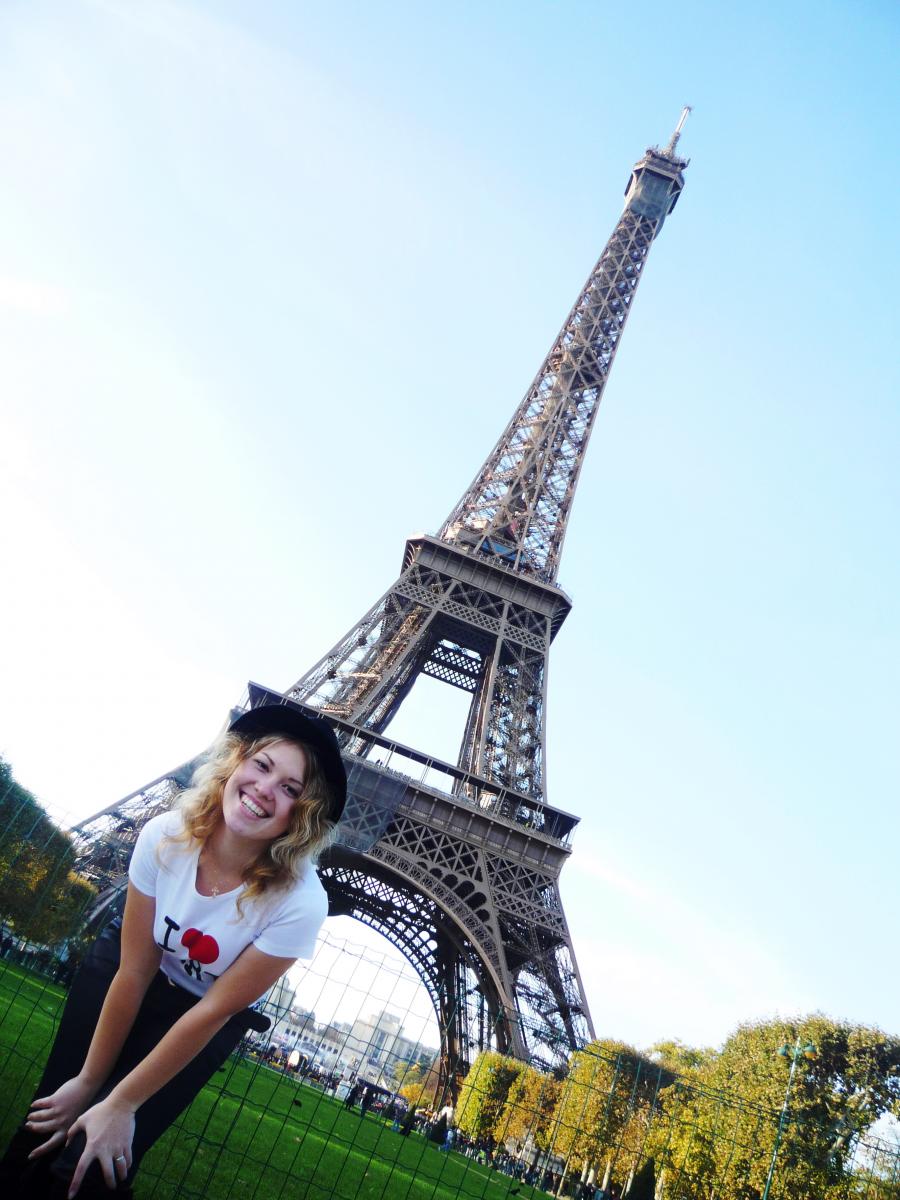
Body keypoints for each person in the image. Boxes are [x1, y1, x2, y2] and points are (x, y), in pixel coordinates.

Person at [0, 702, 346, 1199]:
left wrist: (122, 1103)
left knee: (99, 1160)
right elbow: (134, 970)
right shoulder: (165, 835)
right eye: (261, 765)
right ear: (235, 763)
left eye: (291, 789)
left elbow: (211, 1012)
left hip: (201, 1013)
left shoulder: (302, 902)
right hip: (126, 971)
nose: (265, 789)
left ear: (304, 816)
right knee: (52, 1115)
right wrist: (89, 1081)